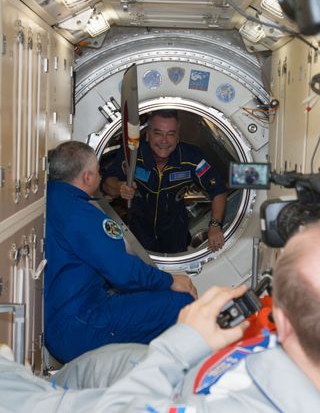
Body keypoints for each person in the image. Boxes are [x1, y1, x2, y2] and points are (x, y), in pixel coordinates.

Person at [2, 223, 320, 412]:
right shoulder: (293, 356)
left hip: (158, 390)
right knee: (99, 363)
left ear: (284, 320)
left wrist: (181, 344)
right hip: (184, 371)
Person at [44, 140, 197, 363]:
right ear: (87, 177)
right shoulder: (82, 214)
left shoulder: (53, 199)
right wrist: (170, 280)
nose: (100, 176)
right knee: (179, 302)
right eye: (98, 172)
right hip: (81, 325)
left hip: (61, 321)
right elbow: (123, 273)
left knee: (143, 299)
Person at [102, 109, 228, 253]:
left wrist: (215, 225)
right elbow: (107, 182)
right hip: (139, 231)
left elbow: (218, 190)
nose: (164, 141)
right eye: (158, 133)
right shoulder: (132, 154)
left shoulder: (192, 158)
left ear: (178, 137)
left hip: (176, 234)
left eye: (171, 134)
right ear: (147, 135)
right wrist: (119, 187)